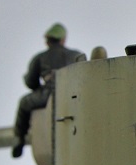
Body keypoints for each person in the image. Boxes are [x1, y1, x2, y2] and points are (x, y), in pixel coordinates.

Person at [12, 23, 84, 158]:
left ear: (47, 41)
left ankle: (18, 139)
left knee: (24, 103)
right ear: (63, 40)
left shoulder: (40, 57)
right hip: (73, 96)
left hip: (48, 95)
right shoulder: (76, 55)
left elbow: (30, 82)